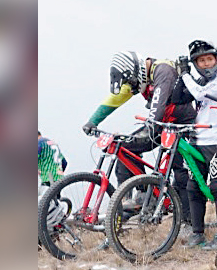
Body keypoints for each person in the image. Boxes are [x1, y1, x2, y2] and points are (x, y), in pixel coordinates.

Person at [81, 51, 196, 185]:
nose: (131, 87)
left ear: (136, 72)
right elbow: (114, 100)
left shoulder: (163, 71)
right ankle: (134, 196)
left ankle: (179, 203)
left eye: (131, 82)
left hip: (182, 126)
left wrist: (147, 132)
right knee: (125, 148)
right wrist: (93, 121)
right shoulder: (139, 80)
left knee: (180, 173)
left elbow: (157, 109)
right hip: (162, 125)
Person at [176, 40, 217, 248]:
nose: (206, 64)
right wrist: (182, 77)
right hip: (197, 140)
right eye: (201, 61)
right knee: (193, 187)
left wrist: (185, 75)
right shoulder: (198, 82)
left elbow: (200, 95)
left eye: (209, 59)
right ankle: (197, 233)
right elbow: (181, 97)